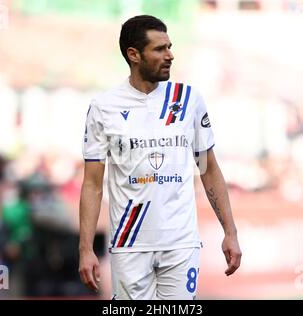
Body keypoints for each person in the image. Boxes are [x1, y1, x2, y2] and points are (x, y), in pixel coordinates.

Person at [78, 15, 241, 300]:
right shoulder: (103, 107)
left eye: (170, 46)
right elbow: (92, 184)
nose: (170, 55)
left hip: (181, 242)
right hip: (129, 243)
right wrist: (86, 249)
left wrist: (230, 231)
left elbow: (209, 170)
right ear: (134, 55)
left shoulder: (188, 99)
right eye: (159, 49)